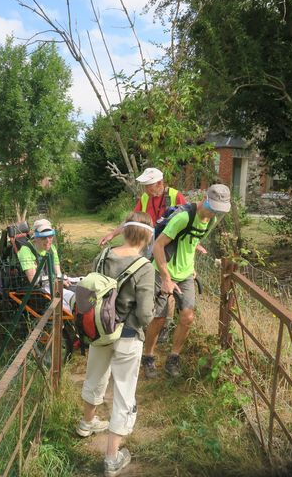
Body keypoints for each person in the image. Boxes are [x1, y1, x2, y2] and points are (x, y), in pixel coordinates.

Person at [78, 211, 155, 477]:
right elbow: (145, 313)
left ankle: (86, 423)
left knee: (95, 375)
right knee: (124, 390)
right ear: (147, 236)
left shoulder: (103, 256)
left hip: (99, 330)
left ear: (124, 231)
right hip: (128, 336)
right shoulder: (144, 267)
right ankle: (112, 457)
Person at [99, 168, 186, 379]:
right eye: (145, 186)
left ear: (160, 183)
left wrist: (195, 245)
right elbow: (133, 221)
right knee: (149, 281)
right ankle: (150, 320)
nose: (146, 189)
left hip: (170, 247)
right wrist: (113, 233)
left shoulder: (175, 196)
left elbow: (188, 223)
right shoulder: (146, 197)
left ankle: (163, 322)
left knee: (169, 285)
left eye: (149, 185)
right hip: (149, 243)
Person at [151, 184, 231, 378]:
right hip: (164, 270)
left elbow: (191, 242)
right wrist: (166, 278)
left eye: (218, 211)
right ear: (205, 198)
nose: (213, 213)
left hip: (186, 273)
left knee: (187, 317)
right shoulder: (183, 217)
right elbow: (158, 245)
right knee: (159, 318)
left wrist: (191, 267)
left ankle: (173, 358)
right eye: (212, 208)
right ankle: (148, 356)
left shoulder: (210, 221)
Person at [16, 218, 74, 312]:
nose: (48, 241)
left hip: (51, 284)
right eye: (43, 237)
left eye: (50, 236)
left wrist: (62, 279)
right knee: (70, 299)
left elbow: (58, 273)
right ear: (36, 237)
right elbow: (34, 281)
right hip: (37, 291)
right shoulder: (26, 250)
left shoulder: (52, 248)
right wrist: (58, 278)